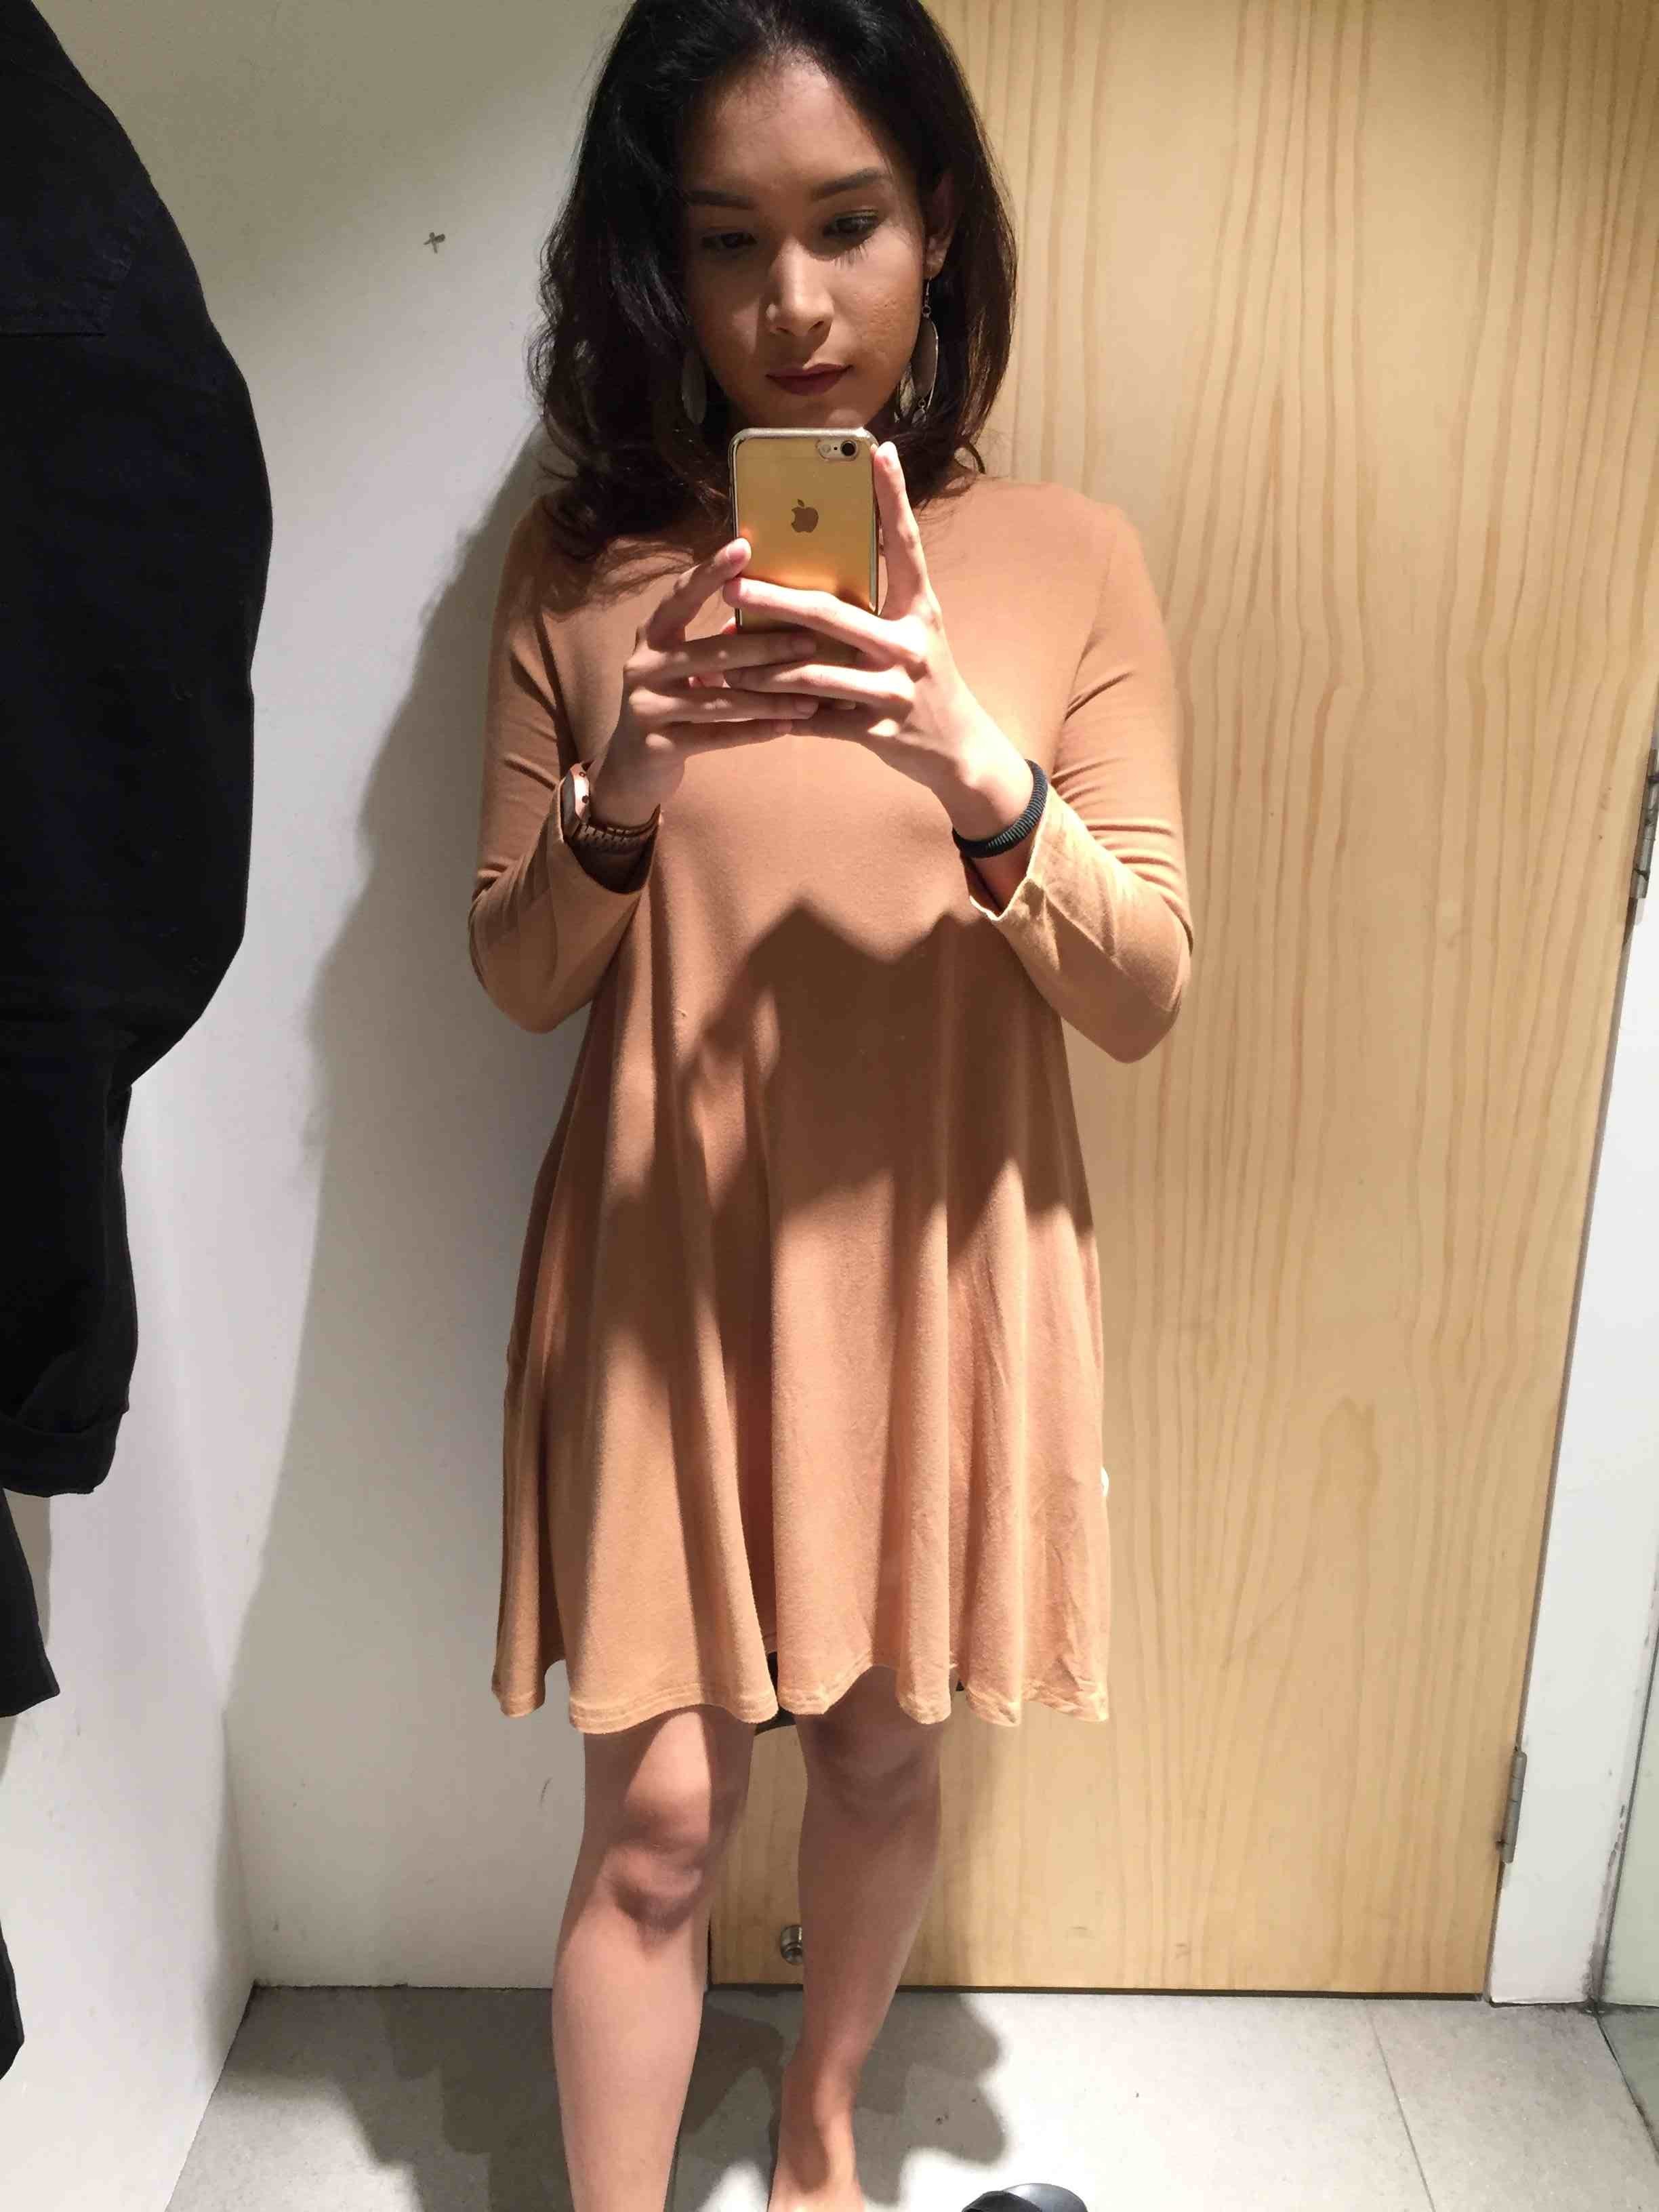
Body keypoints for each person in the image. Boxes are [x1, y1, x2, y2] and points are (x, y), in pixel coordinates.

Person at [466, 5, 1194, 2209]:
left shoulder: (1070, 558)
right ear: (660, 265)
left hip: (933, 1259)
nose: (790, 303)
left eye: (847, 225)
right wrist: (625, 784)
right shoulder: (587, 569)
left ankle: (817, 2142)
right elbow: (517, 974)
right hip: (671, 1266)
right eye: (727, 241)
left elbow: (1142, 988)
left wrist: (979, 769)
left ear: (938, 226)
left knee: (879, 1753)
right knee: (659, 1828)